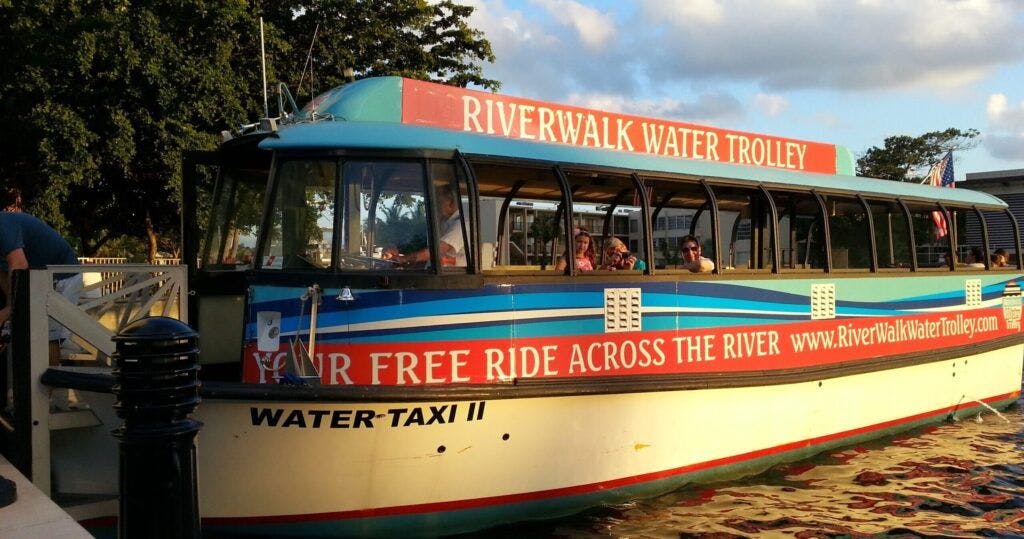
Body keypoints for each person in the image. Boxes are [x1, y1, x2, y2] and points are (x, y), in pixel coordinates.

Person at [0, 190, 82, 363]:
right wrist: (9, 308)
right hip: (37, 277)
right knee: (21, 330)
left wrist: (9, 310)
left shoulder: (2, 225)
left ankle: (49, 387)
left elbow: (19, 266)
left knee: (46, 335)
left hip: (62, 275)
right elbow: (3, 275)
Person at [389, 188, 465, 267]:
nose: (434, 206)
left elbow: (436, 250)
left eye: (438, 202)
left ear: (451, 203)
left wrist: (404, 259)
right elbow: (419, 243)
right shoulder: (442, 222)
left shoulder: (461, 225)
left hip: (453, 277)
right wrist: (396, 248)